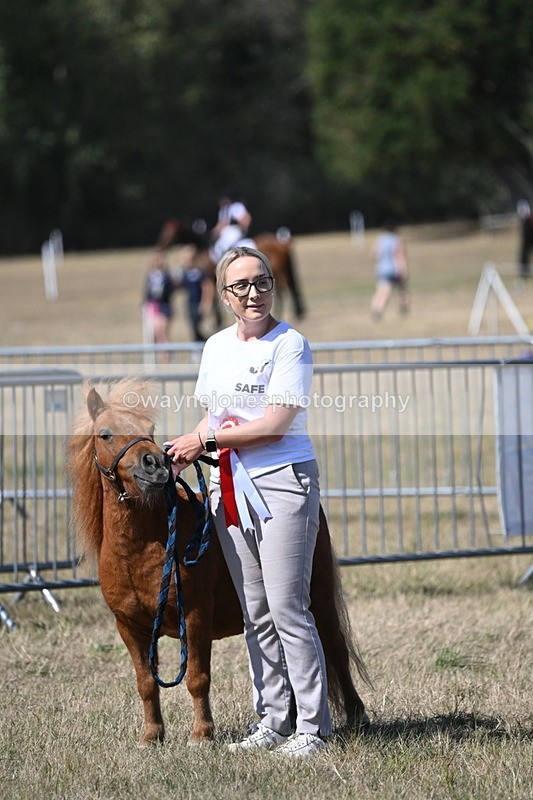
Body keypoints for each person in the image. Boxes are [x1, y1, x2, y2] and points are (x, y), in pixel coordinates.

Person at [165, 246, 331, 758]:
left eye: (261, 282)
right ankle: (274, 721)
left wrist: (208, 444)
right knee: (256, 611)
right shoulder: (215, 347)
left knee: (287, 607)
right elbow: (212, 419)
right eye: (241, 286)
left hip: (282, 483)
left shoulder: (291, 345)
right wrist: (181, 447)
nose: (254, 293)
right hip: (228, 488)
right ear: (225, 295)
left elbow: (276, 423)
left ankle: (313, 728)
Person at [172, 245, 214, 342]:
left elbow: (207, 287)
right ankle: (198, 345)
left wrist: (206, 303)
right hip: (189, 304)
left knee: (197, 326)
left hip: (198, 303)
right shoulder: (185, 273)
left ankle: (205, 342)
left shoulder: (200, 272)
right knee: (193, 327)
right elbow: (180, 286)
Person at [370, 220, 410, 318]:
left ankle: (376, 307)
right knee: (401, 290)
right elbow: (399, 255)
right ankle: (404, 309)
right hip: (394, 269)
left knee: (381, 290)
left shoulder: (380, 240)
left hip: (382, 269)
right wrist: (403, 269)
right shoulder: (397, 239)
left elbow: (374, 255)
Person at [142, 249, 177, 358]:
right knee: (155, 333)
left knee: (162, 332)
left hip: (164, 306)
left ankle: (166, 357)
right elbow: (146, 292)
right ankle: (160, 356)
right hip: (153, 306)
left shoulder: (166, 276)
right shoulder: (150, 275)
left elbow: (170, 290)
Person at [210, 189, 256, 264]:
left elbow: (246, 218)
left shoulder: (236, 207)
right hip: (225, 233)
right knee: (216, 248)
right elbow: (221, 224)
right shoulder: (222, 210)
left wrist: (243, 229)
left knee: (223, 246)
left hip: (234, 231)